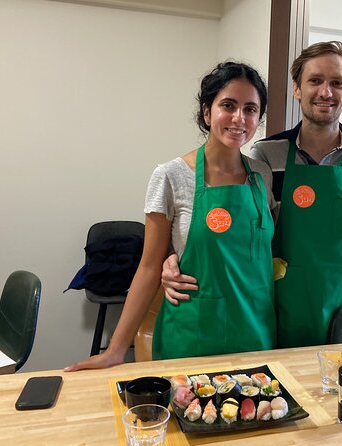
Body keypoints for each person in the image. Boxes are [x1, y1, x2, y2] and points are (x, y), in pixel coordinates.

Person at [162, 41, 342, 348]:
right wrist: (173, 258)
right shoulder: (267, 158)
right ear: (296, 89)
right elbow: (242, 236)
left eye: (336, 83)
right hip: (285, 310)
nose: (325, 92)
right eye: (315, 81)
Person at [65, 61, 276, 370]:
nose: (239, 118)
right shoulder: (171, 176)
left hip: (257, 335)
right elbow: (149, 267)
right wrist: (116, 350)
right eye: (228, 105)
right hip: (194, 336)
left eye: (250, 109)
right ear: (207, 112)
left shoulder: (261, 174)